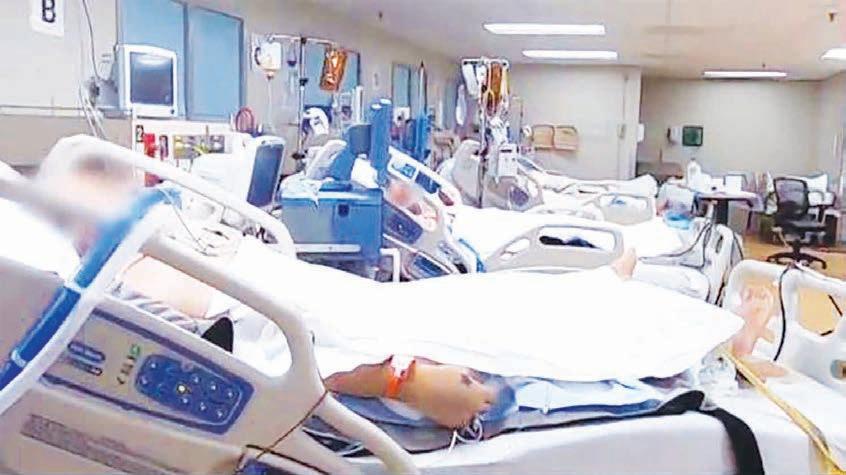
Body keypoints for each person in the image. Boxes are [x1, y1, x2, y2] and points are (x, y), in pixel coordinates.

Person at [37, 156, 782, 430]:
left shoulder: (151, 245)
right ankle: (699, 340)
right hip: (354, 326)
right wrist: (408, 382)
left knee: (504, 300)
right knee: (516, 326)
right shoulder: (128, 285)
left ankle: (656, 314)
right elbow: (267, 353)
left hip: (342, 302)